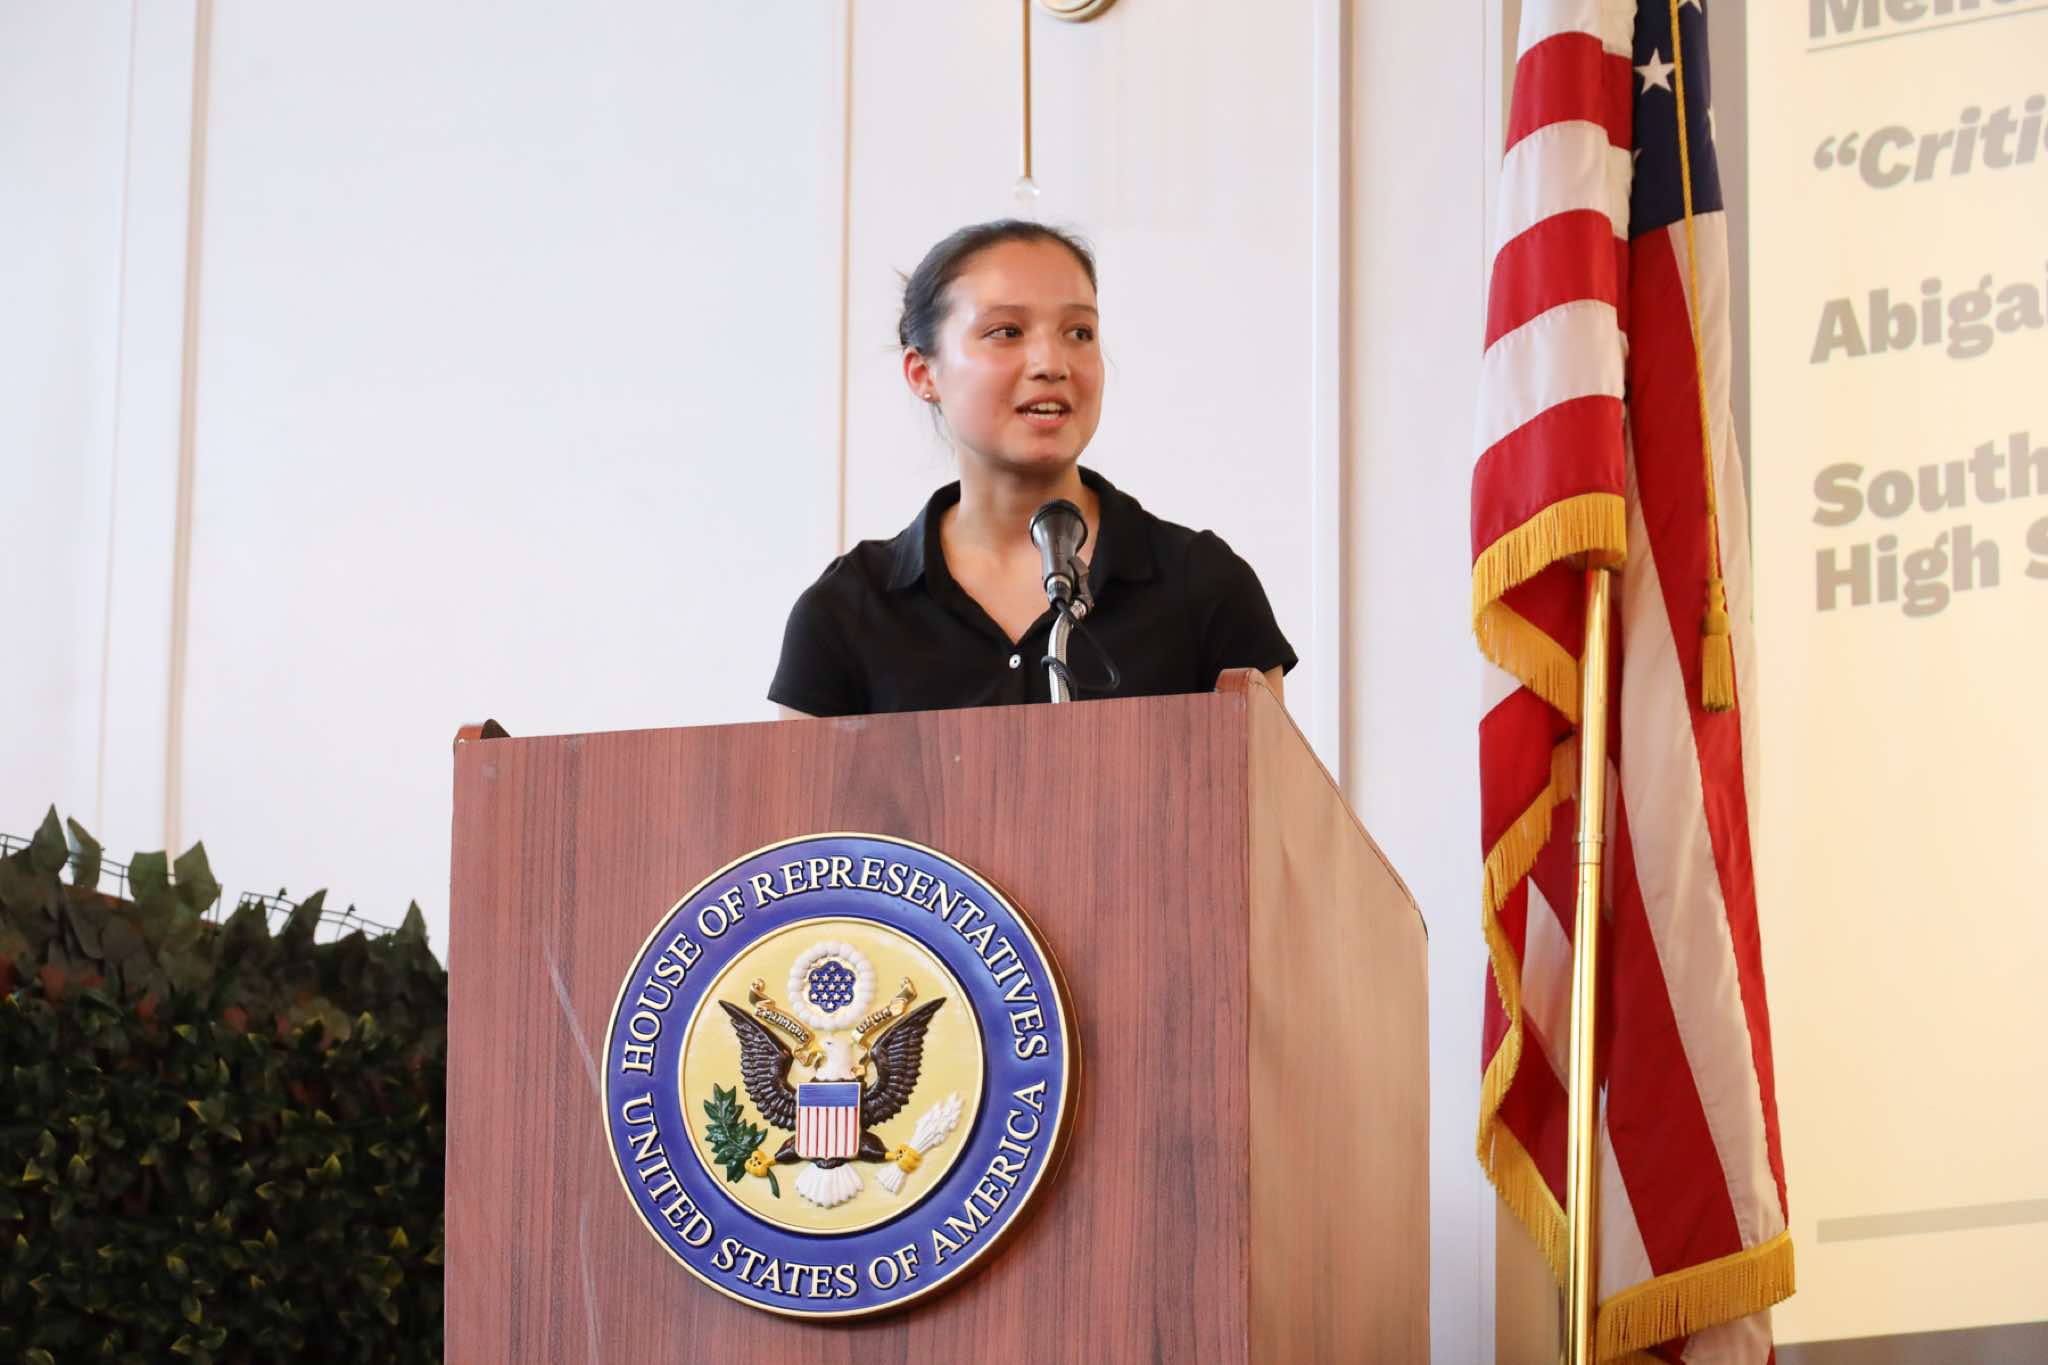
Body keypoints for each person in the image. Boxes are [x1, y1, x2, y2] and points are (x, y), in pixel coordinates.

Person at [770, 220, 1294, 719]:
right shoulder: (845, 611)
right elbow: (803, 787)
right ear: (923, 372)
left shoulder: (1204, 585)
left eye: (1079, 332)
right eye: (1006, 331)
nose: (1051, 363)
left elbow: (1271, 782)